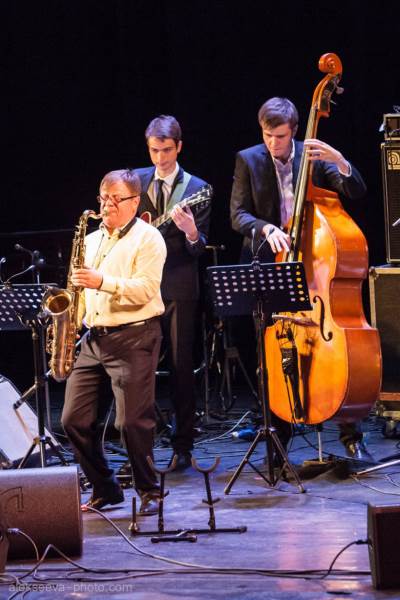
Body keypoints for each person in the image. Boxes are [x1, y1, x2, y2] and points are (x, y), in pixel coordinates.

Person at [230, 97, 369, 460]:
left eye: (279, 136)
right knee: (269, 350)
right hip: (271, 260)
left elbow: (356, 191)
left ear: (293, 131)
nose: (272, 143)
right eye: (267, 135)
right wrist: (265, 228)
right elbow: (238, 214)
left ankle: (350, 432)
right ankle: (279, 439)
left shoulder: (314, 157)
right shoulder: (248, 159)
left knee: (335, 346)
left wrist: (340, 161)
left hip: (316, 259)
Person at [62, 169, 167, 515]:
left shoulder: (149, 238)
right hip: (94, 339)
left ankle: (150, 491)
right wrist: (70, 324)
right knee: (73, 420)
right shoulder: (90, 240)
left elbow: (146, 289)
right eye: (103, 198)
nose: (107, 205)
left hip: (135, 336)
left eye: (116, 199)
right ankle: (106, 489)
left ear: (135, 202)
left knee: (132, 422)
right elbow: (81, 292)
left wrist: (102, 281)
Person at [136, 115, 212, 469]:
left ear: (179, 147)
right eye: (154, 150)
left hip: (179, 286)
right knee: (139, 368)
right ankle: (142, 446)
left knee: (181, 368)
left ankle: (183, 445)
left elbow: (199, 248)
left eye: (166, 150)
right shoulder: (134, 181)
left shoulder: (198, 187)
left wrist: (192, 231)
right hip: (141, 286)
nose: (160, 158)